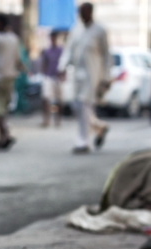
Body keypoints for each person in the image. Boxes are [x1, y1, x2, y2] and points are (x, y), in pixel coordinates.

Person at [58, 3, 111, 154]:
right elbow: (68, 50)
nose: (82, 15)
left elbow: (107, 55)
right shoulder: (75, 30)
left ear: (91, 12)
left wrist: (106, 78)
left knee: (84, 105)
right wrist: (62, 67)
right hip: (77, 74)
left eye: (85, 12)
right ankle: (99, 127)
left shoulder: (100, 31)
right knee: (78, 106)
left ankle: (83, 142)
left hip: (93, 74)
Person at [0, 13, 24, 151]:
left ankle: (5, 134)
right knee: (2, 110)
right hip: (10, 77)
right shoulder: (14, 39)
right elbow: (18, 59)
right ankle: (1, 138)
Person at [40, 31, 63, 127]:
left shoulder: (61, 51)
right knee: (46, 99)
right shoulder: (46, 51)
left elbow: (64, 63)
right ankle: (46, 120)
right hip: (48, 76)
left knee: (59, 100)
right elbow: (43, 63)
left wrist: (63, 75)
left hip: (58, 77)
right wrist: (43, 74)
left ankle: (58, 120)